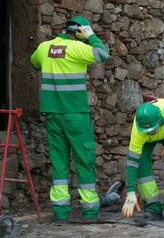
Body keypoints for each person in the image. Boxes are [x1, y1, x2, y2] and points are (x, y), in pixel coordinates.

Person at [30, 16, 109, 222]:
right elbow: (102, 54)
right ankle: (90, 210)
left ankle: (60, 212)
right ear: (79, 32)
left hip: (52, 115)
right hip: (75, 115)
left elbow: (34, 63)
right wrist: (91, 36)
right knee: (84, 159)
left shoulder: (44, 48)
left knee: (58, 162)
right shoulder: (76, 48)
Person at [122, 98, 164, 223]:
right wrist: (130, 192)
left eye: (152, 129)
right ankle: (152, 208)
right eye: (147, 131)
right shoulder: (138, 132)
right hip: (147, 143)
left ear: (159, 120)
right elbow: (132, 162)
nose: (150, 132)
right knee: (141, 164)